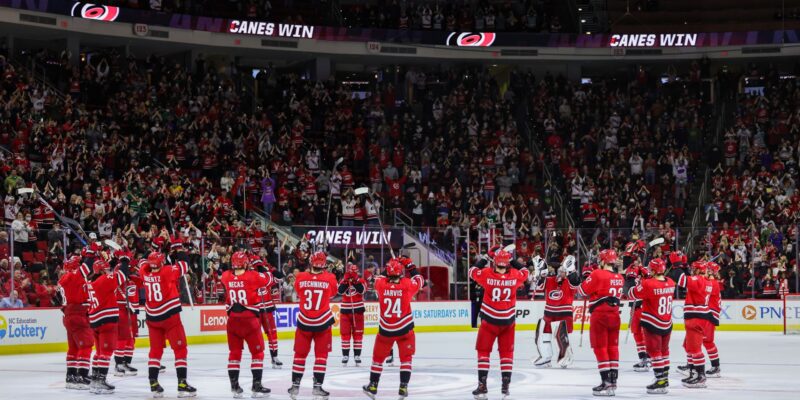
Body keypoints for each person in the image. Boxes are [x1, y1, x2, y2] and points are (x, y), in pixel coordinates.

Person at [468, 248, 530, 400]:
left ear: (494, 262)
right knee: (506, 354)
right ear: (508, 263)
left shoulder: (487, 274)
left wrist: (485, 257)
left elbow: (472, 271)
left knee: (483, 352)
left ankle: (482, 386)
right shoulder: (515, 275)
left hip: (489, 321)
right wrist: (512, 259)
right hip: (508, 322)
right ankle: (505, 386)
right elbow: (526, 272)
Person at [362, 257, 424, 399]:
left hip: (386, 331)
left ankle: (373, 386)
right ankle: (403, 388)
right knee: (406, 359)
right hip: (405, 329)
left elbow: (382, 275)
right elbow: (420, 279)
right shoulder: (407, 284)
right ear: (400, 273)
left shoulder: (380, 284)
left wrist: (391, 263)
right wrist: (409, 265)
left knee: (377, 359)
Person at [141, 250, 197, 398]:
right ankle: (182, 384)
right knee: (180, 349)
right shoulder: (167, 271)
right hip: (170, 318)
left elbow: (143, 262)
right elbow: (185, 264)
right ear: (162, 262)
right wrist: (180, 252)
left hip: (152, 318)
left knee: (155, 351)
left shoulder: (144, 273)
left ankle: (153, 383)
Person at [570, 248, 624, 396]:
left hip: (600, 315)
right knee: (613, 346)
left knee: (600, 347)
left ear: (602, 260)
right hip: (615, 315)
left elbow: (581, 291)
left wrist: (580, 278)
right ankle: (613, 381)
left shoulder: (597, 273)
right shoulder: (620, 277)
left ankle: (606, 382)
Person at [288, 251, 339, 400]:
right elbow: (332, 294)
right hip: (322, 322)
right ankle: (317, 387)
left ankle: (295, 386)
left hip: (304, 321)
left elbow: (298, 292)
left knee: (299, 355)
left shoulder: (301, 277)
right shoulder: (330, 278)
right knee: (321, 356)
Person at [221, 251, 272, 398]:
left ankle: (234, 385)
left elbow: (230, 276)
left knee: (234, 353)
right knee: (257, 353)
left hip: (232, 320)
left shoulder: (226, 276)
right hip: (250, 320)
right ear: (245, 263)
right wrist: (260, 265)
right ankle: (256, 385)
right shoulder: (253, 276)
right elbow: (268, 279)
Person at [628, 258, 676, 394]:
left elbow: (632, 294)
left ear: (654, 270)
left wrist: (634, 280)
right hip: (667, 322)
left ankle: (660, 381)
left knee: (655, 353)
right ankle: (665, 378)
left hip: (652, 323)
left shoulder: (648, 284)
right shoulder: (671, 282)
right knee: (664, 351)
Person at [85, 257, 125, 394]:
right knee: (106, 353)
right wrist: (124, 261)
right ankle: (100, 381)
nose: (108, 270)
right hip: (106, 320)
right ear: (102, 270)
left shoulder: (89, 282)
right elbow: (122, 276)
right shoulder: (104, 280)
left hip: (95, 320)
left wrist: (114, 264)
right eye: (106, 269)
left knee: (99, 352)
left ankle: (95, 380)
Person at [533, 255, 576, 368]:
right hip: (549, 313)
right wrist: (540, 270)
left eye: (564, 271)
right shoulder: (550, 280)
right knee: (542, 333)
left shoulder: (569, 282)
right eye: (560, 270)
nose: (561, 272)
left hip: (564, 314)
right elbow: (539, 285)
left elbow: (576, 282)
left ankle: (566, 356)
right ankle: (545, 357)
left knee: (561, 335)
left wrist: (571, 270)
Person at [676, 261, 714, 388]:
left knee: (696, 350)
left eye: (693, 269)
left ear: (698, 270)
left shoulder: (698, 279)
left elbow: (680, 280)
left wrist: (677, 264)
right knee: (689, 347)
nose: (692, 271)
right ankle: (693, 372)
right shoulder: (707, 281)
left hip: (695, 319)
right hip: (699, 317)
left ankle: (700, 376)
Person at [58, 255, 93, 389]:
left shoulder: (64, 279)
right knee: (86, 345)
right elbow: (87, 267)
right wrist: (91, 253)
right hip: (77, 314)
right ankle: (81, 376)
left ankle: (70, 376)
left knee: (73, 347)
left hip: (68, 315)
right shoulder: (73, 277)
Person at [252, 254, 283, 368]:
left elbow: (280, 276)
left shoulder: (266, 274)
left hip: (266, 308)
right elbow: (279, 277)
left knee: (271, 333)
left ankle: (274, 357)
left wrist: (272, 270)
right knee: (258, 335)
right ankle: (259, 357)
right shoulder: (263, 275)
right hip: (256, 309)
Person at [112, 249, 139, 377]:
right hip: (121, 309)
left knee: (131, 339)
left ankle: (126, 362)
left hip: (132, 312)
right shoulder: (117, 280)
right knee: (122, 338)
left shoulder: (132, 280)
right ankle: (118, 364)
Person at [338, 263, 367, 366]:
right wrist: (346, 281)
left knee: (358, 334)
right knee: (345, 334)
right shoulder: (343, 280)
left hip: (358, 311)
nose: (353, 274)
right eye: (351, 272)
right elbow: (340, 291)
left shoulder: (361, 280)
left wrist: (355, 281)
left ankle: (357, 355)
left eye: (355, 272)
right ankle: (345, 355)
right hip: (345, 311)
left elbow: (362, 290)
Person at [625, 258, 651, 372]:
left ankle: (650, 358)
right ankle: (643, 359)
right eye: (634, 261)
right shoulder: (631, 271)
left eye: (638, 261)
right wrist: (634, 272)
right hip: (634, 307)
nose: (636, 263)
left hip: (644, 307)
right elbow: (627, 287)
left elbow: (652, 284)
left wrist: (645, 273)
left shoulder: (646, 272)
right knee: (636, 333)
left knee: (646, 334)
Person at [703, 261, 722, 377]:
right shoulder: (712, 282)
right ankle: (690, 364)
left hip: (710, 314)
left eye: (707, 269)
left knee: (707, 341)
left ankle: (716, 366)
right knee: (693, 341)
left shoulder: (713, 283)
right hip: (707, 313)